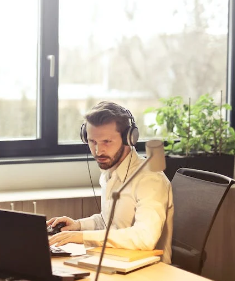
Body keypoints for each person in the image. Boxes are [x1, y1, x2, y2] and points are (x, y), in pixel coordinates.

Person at [48, 101, 174, 264]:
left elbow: (145, 238)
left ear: (129, 138)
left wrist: (82, 237)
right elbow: (109, 223)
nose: (98, 151)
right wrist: (78, 226)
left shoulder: (150, 179)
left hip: (149, 272)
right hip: (115, 261)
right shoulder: (110, 173)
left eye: (107, 142)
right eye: (92, 142)